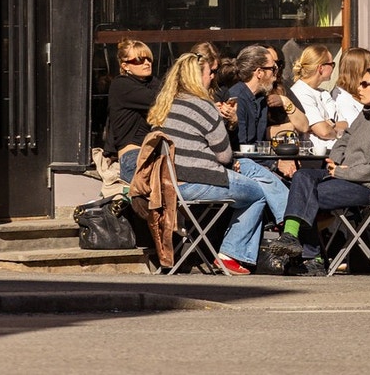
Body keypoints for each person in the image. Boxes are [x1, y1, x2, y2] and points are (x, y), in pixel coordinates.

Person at [145, 52, 285, 275]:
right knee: (257, 192)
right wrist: (230, 122)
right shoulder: (204, 107)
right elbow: (224, 156)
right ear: (196, 76)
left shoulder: (165, 105)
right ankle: (231, 254)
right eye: (210, 72)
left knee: (249, 172)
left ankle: (282, 222)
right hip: (199, 181)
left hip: (168, 185)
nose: (213, 77)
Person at [274, 65, 370, 275]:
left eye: (365, 84)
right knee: (302, 176)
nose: (359, 88)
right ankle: (291, 239)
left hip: (366, 186)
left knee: (307, 194)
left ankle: (313, 257)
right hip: (345, 176)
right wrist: (334, 162)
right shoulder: (366, 114)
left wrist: (342, 172)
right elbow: (344, 139)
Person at [222, 44, 293, 223]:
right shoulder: (237, 97)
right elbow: (243, 145)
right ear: (259, 72)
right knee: (279, 187)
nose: (275, 73)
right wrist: (275, 165)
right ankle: (291, 228)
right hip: (239, 164)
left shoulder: (260, 98)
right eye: (272, 68)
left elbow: (259, 141)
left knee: (300, 184)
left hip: (256, 161)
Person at [105, 39, 157, 179]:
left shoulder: (151, 82)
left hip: (153, 155)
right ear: (125, 66)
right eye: (139, 59)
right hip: (134, 157)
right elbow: (161, 100)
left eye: (149, 58)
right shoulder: (121, 85)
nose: (147, 63)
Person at [290, 44, 343, 156]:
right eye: (332, 64)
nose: (334, 68)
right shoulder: (301, 92)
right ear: (320, 68)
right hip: (314, 156)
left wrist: (330, 124)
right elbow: (323, 131)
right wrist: (332, 129)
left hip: (335, 152)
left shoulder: (324, 93)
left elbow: (344, 124)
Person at [331, 46, 370, 128]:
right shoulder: (341, 100)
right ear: (358, 71)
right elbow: (357, 130)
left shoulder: (357, 94)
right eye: (369, 69)